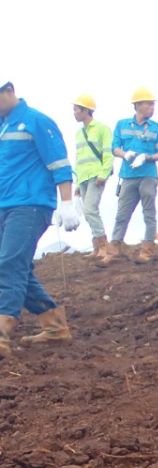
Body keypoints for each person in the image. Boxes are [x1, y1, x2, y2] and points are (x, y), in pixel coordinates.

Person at [0, 80, 79, 359]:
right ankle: (54, 326)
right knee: (17, 265)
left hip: (31, 205)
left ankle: (3, 329)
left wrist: (67, 202)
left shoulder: (37, 121)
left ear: (8, 91)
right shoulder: (3, 125)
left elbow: (59, 163)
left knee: (9, 263)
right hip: (5, 205)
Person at [101, 87, 158, 266]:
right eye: (149, 104)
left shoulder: (157, 128)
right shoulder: (122, 125)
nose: (152, 108)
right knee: (122, 214)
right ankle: (113, 250)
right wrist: (125, 154)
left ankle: (147, 250)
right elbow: (114, 147)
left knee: (149, 213)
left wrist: (147, 157)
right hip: (128, 176)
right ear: (137, 105)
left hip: (148, 175)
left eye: (153, 104)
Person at [71, 94, 112, 260]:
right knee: (88, 212)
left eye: (76, 110)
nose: (73, 113)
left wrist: (104, 174)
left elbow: (108, 153)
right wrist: (77, 184)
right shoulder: (79, 133)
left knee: (90, 210)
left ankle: (104, 247)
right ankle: (97, 247)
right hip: (83, 178)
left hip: (96, 175)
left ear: (86, 110)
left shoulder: (102, 128)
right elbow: (79, 158)